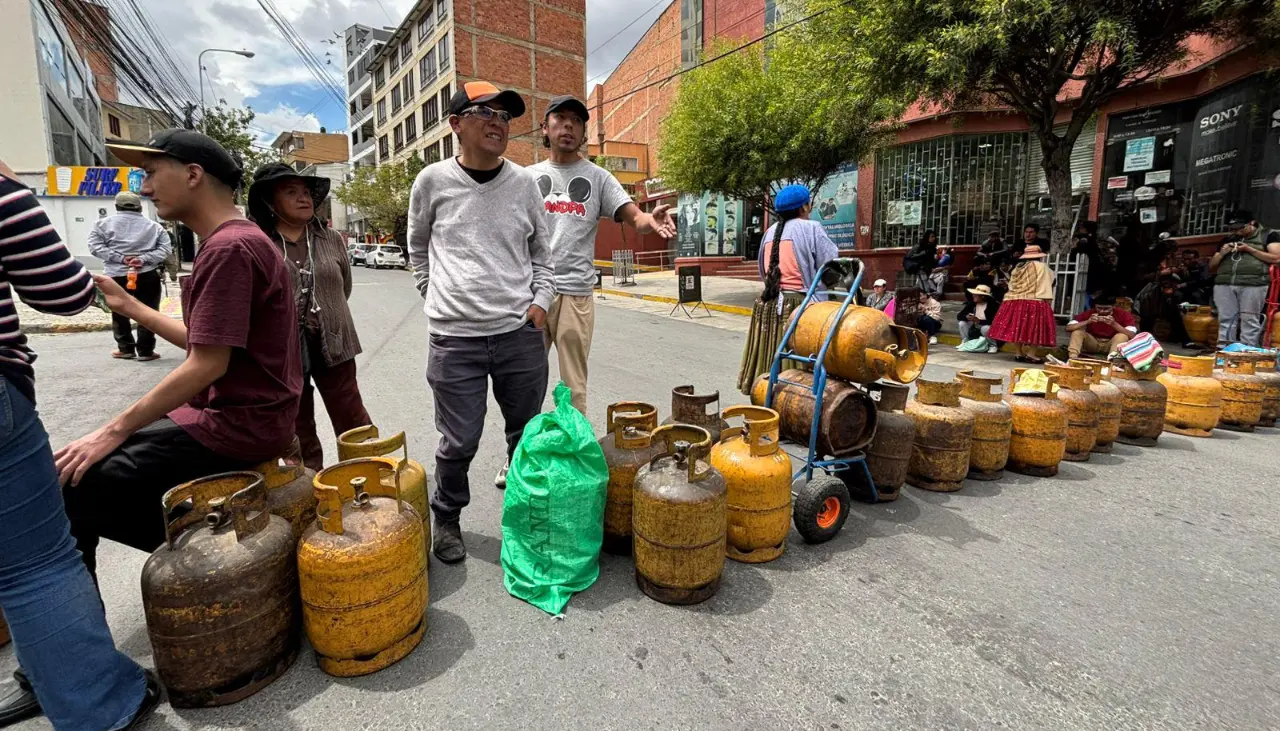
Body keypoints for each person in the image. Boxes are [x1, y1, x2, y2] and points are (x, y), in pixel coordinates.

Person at [53, 129, 301, 581]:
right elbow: (205, 343)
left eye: (150, 174)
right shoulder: (237, 240)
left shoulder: (229, 247)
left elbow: (207, 364)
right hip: (249, 416)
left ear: (192, 174)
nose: (144, 188)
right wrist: (130, 306)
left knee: (75, 482)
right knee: (90, 464)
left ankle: (207, 566)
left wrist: (112, 430)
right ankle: (205, 554)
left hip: (237, 424)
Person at [0, 161, 160, 730]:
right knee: (34, 563)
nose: (145, 196)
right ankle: (96, 702)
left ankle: (44, 675)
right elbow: (61, 290)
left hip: (130, 284)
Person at [407, 81, 555, 563]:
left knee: (526, 434)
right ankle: (447, 517)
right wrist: (433, 294)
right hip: (455, 340)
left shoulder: (525, 184)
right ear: (455, 124)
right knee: (459, 440)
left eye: (505, 115)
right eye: (484, 112)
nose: (497, 121)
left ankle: (527, 516)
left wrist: (539, 304)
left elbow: (543, 256)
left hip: (519, 335)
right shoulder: (431, 181)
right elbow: (417, 246)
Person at [529, 95, 675, 415]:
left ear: (583, 133)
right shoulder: (525, 178)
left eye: (577, 121)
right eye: (561, 118)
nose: (569, 125)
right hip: (530, 293)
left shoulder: (599, 177)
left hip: (575, 295)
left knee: (573, 386)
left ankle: (575, 457)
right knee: (525, 383)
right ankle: (522, 456)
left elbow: (635, 217)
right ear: (545, 126)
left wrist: (651, 220)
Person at [248, 162, 371, 471]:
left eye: (306, 192)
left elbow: (344, 286)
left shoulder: (330, 238)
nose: (304, 198)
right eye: (291, 192)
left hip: (335, 340)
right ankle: (309, 489)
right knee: (298, 424)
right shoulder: (259, 243)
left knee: (353, 418)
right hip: (284, 352)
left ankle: (365, 476)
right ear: (269, 201)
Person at [736, 184, 838, 394]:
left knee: (771, 353)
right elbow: (830, 266)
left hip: (769, 303)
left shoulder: (769, 233)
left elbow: (764, 273)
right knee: (801, 359)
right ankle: (795, 397)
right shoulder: (811, 228)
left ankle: (765, 393)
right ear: (804, 207)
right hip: (800, 305)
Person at [87, 190, 172, 362]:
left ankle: (125, 349)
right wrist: (142, 259)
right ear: (140, 208)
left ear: (116, 206)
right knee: (148, 311)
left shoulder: (102, 225)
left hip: (115, 275)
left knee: (119, 311)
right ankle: (146, 351)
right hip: (147, 274)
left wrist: (121, 258)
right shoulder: (154, 227)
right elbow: (165, 250)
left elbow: (95, 247)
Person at [1210, 210, 1280, 346]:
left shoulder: (1268, 235)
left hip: (1253, 283)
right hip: (1224, 283)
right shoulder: (1229, 238)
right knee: (1226, 319)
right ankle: (1224, 351)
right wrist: (1222, 253)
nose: (1236, 231)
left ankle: (1247, 352)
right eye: (1233, 229)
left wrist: (1250, 250)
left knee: (1249, 319)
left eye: (1240, 228)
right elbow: (1212, 266)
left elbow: (1277, 258)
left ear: (1252, 223)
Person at [988, 244, 1057, 363]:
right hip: (1035, 300)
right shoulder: (1042, 267)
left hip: (1015, 300)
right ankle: (1031, 354)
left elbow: (1012, 284)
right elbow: (1052, 281)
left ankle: (1018, 352)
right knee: (1036, 328)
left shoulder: (1017, 267)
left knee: (1018, 327)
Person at [1066, 296, 1138, 359]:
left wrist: (1114, 324)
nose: (1102, 311)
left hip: (1111, 343)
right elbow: (1068, 328)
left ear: (1113, 306)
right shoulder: (1090, 313)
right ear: (1095, 306)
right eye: (1099, 308)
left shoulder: (1123, 314)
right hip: (1093, 343)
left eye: (1106, 308)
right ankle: (1073, 358)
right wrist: (1088, 321)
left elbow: (1132, 335)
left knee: (1122, 336)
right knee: (1077, 333)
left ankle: (1113, 360)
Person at [957, 284, 1000, 352]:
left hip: (987, 327)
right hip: (975, 327)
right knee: (962, 323)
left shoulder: (993, 305)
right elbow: (959, 316)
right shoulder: (972, 304)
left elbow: (994, 321)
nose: (973, 295)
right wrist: (967, 317)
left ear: (983, 296)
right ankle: (965, 342)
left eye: (975, 294)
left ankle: (993, 346)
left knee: (985, 328)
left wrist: (979, 321)